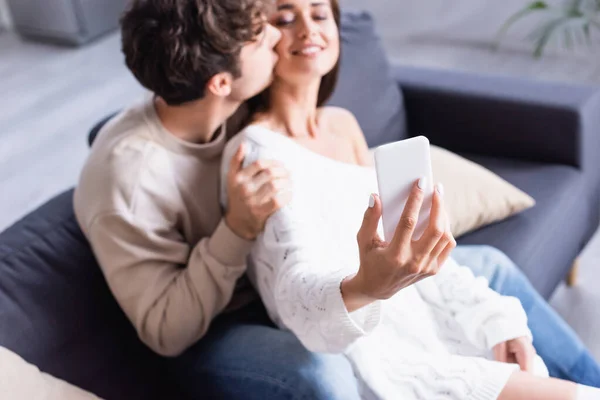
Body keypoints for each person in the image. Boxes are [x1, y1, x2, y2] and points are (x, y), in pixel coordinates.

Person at [73, 0, 598, 399]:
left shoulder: (326, 122)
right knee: (326, 369)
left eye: (320, 13)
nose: (295, 33)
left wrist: (489, 319)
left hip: (336, 293)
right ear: (222, 81)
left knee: (489, 272)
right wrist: (237, 228)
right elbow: (173, 330)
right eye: (271, 27)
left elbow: (382, 226)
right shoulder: (149, 173)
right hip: (218, 327)